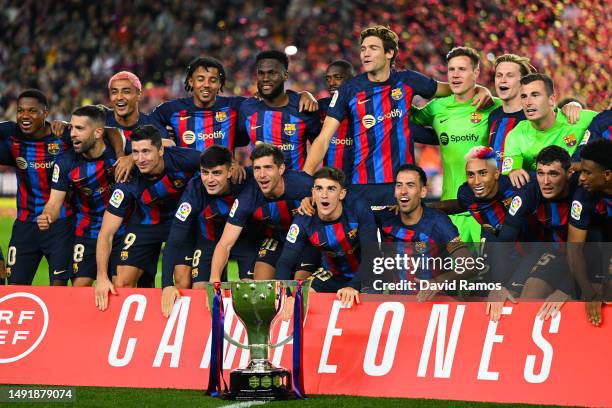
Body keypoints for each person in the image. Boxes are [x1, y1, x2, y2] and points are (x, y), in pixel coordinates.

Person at [303, 26, 492, 207]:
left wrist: (478, 88)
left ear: (389, 53)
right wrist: (304, 182)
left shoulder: (407, 80)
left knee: (401, 240)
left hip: (403, 185)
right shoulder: (349, 90)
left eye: (373, 48)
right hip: (362, 184)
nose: (365, 54)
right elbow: (323, 139)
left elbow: (453, 87)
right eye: (363, 49)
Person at [340, 164, 483, 307]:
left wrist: (438, 281)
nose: (403, 191)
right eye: (399, 185)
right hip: (398, 306)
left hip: (434, 304)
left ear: (423, 191)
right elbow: (344, 211)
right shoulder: (384, 217)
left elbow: (469, 266)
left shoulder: (438, 222)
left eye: (410, 185)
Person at [94, 125, 200, 311]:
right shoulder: (126, 179)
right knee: (122, 282)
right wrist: (102, 276)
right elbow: (106, 233)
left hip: (181, 224)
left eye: (145, 152)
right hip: (146, 224)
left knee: (183, 281)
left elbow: (216, 165)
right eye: (135, 152)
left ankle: (177, 331)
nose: (140, 159)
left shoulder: (185, 158)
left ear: (160, 151)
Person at [412, 46, 502, 243]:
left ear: (476, 73)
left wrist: (572, 106)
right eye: (451, 69)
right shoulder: (437, 107)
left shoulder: (492, 105)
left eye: (462, 69)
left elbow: (527, 108)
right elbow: (403, 119)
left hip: (486, 211)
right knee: (457, 272)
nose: (455, 74)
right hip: (451, 210)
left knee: (491, 272)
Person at [160, 145, 256, 317]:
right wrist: (167, 284)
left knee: (252, 289)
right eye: (205, 172)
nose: (209, 179)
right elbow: (174, 239)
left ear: (230, 171)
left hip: (244, 240)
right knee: (201, 290)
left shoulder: (247, 180)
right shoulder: (194, 191)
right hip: (208, 239)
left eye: (217, 173)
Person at [37, 105, 124, 286]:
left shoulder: (119, 154)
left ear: (98, 132)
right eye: (72, 128)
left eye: (80, 128)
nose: (73, 134)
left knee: (121, 285)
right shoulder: (66, 162)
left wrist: (127, 157)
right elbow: (54, 203)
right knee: (79, 287)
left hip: (120, 231)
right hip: (87, 231)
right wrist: (47, 215)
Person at [209, 143, 313, 283]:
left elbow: (335, 202)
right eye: (257, 168)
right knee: (260, 285)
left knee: (300, 285)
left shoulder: (304, 184)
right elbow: (225, 244)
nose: (262, 175)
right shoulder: (248, 196)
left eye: (268, 168)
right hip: (276, 240)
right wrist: (214, 280)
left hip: (306, 242)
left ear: (281, 169)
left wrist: (314, 199)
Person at [497, 146, 579, 319]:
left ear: (569, 173)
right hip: (554, 253)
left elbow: (595, 247)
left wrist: (565, 289)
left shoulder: (583, 192)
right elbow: (505, 241)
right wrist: (500, 286)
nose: (545, 181)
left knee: (588, 295)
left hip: (592, 254)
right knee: (530, 294)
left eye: (553, 174)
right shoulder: (528, 193)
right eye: (541, 173)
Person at [275, 167, 378, 293]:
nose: (324, 195)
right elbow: (285, 261)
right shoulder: (303, 218)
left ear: (342, 194)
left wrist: (353, 286)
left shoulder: (358, 209)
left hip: (366, 274)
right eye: (319, 189)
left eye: (331, 189)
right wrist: (284, 295)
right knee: (303, 295)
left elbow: (371, 255)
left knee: (368, 296)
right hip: (331, 275)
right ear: (313, 192)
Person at [502, 73, 597, 187]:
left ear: (551, 99)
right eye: (523, 96)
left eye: (535, 95)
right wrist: (513, 172)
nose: (528, 102)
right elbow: (513, 173)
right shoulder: (516, 135)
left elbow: (606, 119)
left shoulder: (577, 118)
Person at [238, 50, 321, 171]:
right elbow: (235, 140)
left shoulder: (304, 106)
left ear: (285, 75)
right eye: (261, 73)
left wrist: (307, 174)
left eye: (272, 73)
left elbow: (319, 145)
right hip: (260, 184)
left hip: (296, 186)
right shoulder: (247, 108)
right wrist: (234, 163)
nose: (265, 78)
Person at [567, 139, 612, 326]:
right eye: (581, 171)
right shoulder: (584, 194)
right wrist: (590, 294)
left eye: (587, 172)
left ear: (607, 175)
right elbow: (574, 250)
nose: (581, 178)